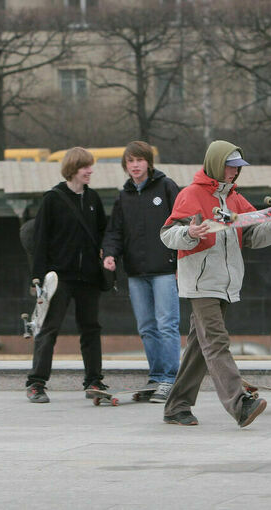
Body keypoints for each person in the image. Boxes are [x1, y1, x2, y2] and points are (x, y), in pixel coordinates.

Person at [160, 140, 271, 427]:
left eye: (238, 168)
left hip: (225, 283)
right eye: (231, 166)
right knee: (216, 342)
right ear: (216, 163)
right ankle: (240, 403)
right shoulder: (190, 194)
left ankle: (176, 406)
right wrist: (190, 232)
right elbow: (167, 234)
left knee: (200, 347)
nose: (235, 173)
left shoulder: (235, 199)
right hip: (201, 284)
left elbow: (252, 237)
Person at [25, 147, 108, 403]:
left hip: (89, 278)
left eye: (91, 167)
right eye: (86, 167)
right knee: (49, 329)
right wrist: (38, 278)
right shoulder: (52, 199)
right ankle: (36, 383)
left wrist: (107, 261)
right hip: (59, 277)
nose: (90, 171)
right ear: (73, 168)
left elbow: (103, 234)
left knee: (91, 329)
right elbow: (40, 241)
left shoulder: (93, 199)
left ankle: (94, 380)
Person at [102, 141, 181, 404]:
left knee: (167, 324)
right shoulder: (123, 196)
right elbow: (115, 231)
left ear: (148, 162)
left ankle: (171, 379)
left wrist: (181, 261)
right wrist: (111, 254)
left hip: (165, 270)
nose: (135, 165)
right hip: (136, 272)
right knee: (147, 327)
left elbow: (183, 222)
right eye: (130, 161)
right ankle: (156, 376)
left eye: (139, 160)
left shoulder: (166, 186)